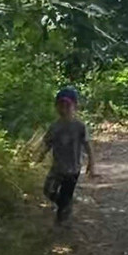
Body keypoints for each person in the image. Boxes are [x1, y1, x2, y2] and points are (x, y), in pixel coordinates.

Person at [42, 87, 94, 224]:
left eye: (67, 105)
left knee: (66, 194)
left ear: (75, 106)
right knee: (48, 190)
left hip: (73, 168)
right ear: (56, 107)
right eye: (60, 105)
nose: (64, 109)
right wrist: (40, 156)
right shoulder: (54, 127)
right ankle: (65, 206)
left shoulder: (80, 126)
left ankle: (62, 221)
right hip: (57, 167)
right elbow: (48, 143)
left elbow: (87, 145)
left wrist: (91, 164)